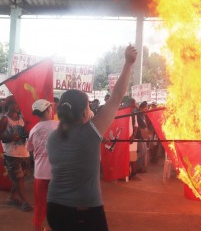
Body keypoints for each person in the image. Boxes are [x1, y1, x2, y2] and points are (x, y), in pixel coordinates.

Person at [46, 45, 137, 230]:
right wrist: (128, 63)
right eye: (89, 108)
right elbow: (117, 97)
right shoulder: (90, 133)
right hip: (84, 213)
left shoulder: (53, 137)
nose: (92, 111)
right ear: (82, 114)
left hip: (55, 209)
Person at [27, 99, 58, 231]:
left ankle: (37, 228)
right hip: (57, 172)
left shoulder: (33, 129)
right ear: (47, 110)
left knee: (40, 204)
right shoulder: (58, 125)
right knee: (58, 203)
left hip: (40, 172)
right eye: (50, 108)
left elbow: (30, 151)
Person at [0, 95, 33, 212]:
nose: (17, 106)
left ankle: (11, 198)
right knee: (18, 178)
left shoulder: (21, 118)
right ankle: (24, 201)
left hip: (24, 152)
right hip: (11, 153)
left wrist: (26, 133)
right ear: (9, 105)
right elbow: (1, 136)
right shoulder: (4, 119)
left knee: (19, 177)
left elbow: (22, 134)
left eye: (18, 103)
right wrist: (10, 137)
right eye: (14, 103)